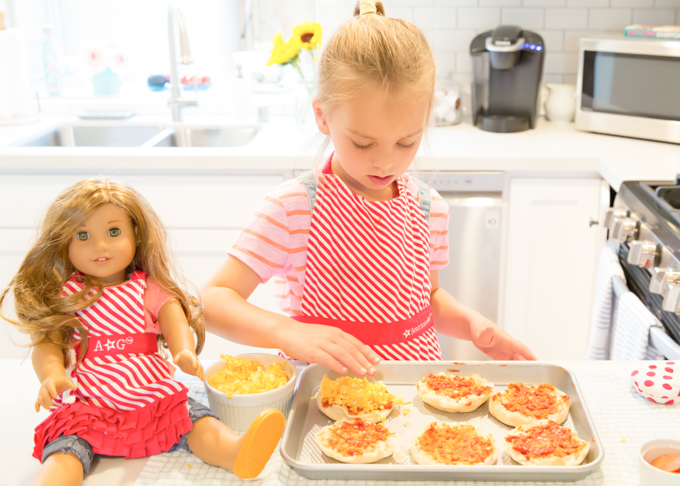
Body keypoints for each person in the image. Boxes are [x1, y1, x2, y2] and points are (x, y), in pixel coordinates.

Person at [201, 0, 536, 378]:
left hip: (416, 388)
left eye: (406, 142)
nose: (386, 163)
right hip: (328, 393)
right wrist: (290, 333)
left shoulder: (429, 208)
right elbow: (211, 302)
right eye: (363, 144)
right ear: (323, 116)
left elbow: (427, 299)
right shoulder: (296, 208)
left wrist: (473, 324)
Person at [0, 179, 284, 486]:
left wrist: (183, 351)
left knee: (191, 417)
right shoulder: (67, 296)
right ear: (64, 243)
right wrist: (51, 375)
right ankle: (53, 480)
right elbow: (48, 342)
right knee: (66, 445)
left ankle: (234, 451)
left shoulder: (148, 288)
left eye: (113, 232)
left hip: (150, 390)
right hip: (89, 398)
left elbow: (174, 320)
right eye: (83, 235)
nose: (100, 246)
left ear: (136, 234)